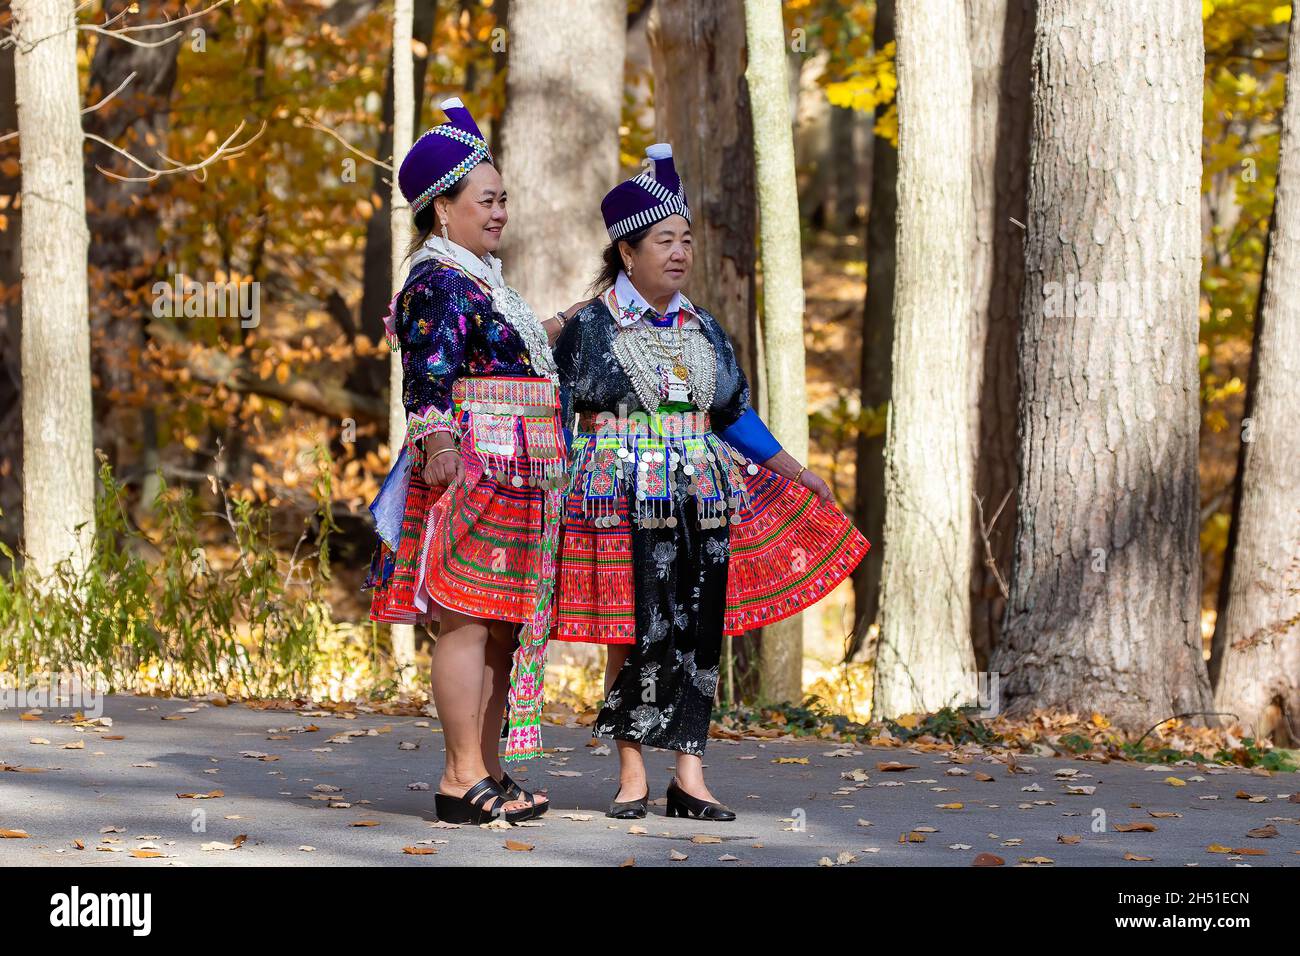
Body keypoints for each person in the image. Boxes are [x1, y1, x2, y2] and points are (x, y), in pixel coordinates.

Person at [550, 144, 870, 821]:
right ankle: (632, 774)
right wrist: (553, 489)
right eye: (664, 240)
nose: (680, 252)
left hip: (701, 492)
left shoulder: (702, 327)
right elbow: (558, 412)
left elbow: (730, 413)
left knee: (698, 628)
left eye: (686, 240)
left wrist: (799, 472)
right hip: (618, 496)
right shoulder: (587, 327)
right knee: (632, 630)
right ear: (627, 252)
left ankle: (689, 777)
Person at [363, 97, 569, 825]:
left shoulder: (484, 280)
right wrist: (441, 444)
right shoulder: (435, 281)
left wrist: (572, 319)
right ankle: (458, 777)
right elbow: (427, 376)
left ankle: (488, 769)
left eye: (504, 197)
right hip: (473, 464)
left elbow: (510, 353)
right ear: (442, 209)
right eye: (487, 199)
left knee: (505, 620)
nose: (501, 211)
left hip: (521, 467)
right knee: (467, 620)